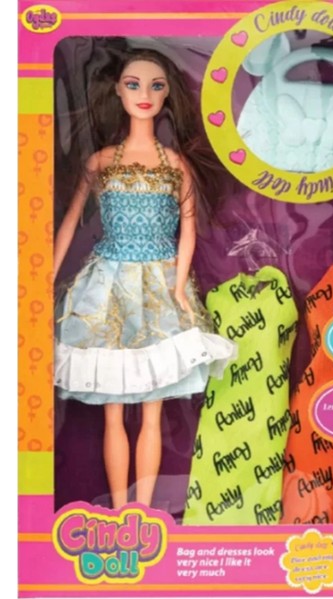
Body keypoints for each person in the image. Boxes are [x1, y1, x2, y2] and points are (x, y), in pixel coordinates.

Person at [53, 47, 237, 510]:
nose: (145, 94)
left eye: (156, 86)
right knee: (113, 410)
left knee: (153, 409)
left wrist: (178, 288)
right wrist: (44, 277)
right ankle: (120, 510)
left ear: (168, 94)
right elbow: (70, 222)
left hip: (159, 283)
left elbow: (188, 229)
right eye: (133, 84)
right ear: (117, 90)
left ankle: (144, 510)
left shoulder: (175, 164)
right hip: (107, 284)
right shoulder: (100, 161)